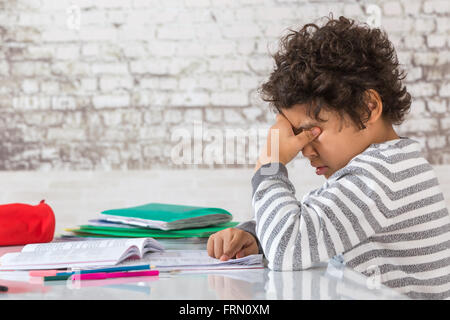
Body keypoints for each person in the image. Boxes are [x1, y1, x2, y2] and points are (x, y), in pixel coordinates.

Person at [207, 16, 450, 299]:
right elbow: (313, 220)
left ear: (366, 108)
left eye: (312, 131)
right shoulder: (388, 165)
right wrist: (256, 236)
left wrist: (271, 164)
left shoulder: (380, 175)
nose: (305, 150)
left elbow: (288, 248)